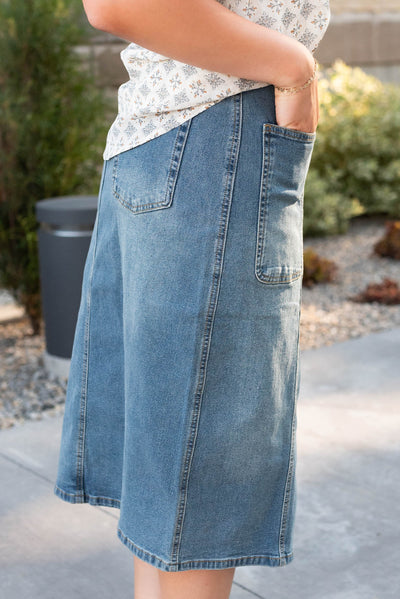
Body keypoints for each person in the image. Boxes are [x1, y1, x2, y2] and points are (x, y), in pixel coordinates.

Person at [54, 1, 330, 598]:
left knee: (169, 490)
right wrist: (296, 68)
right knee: (202, 482)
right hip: (219, 139)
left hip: (168, 140)